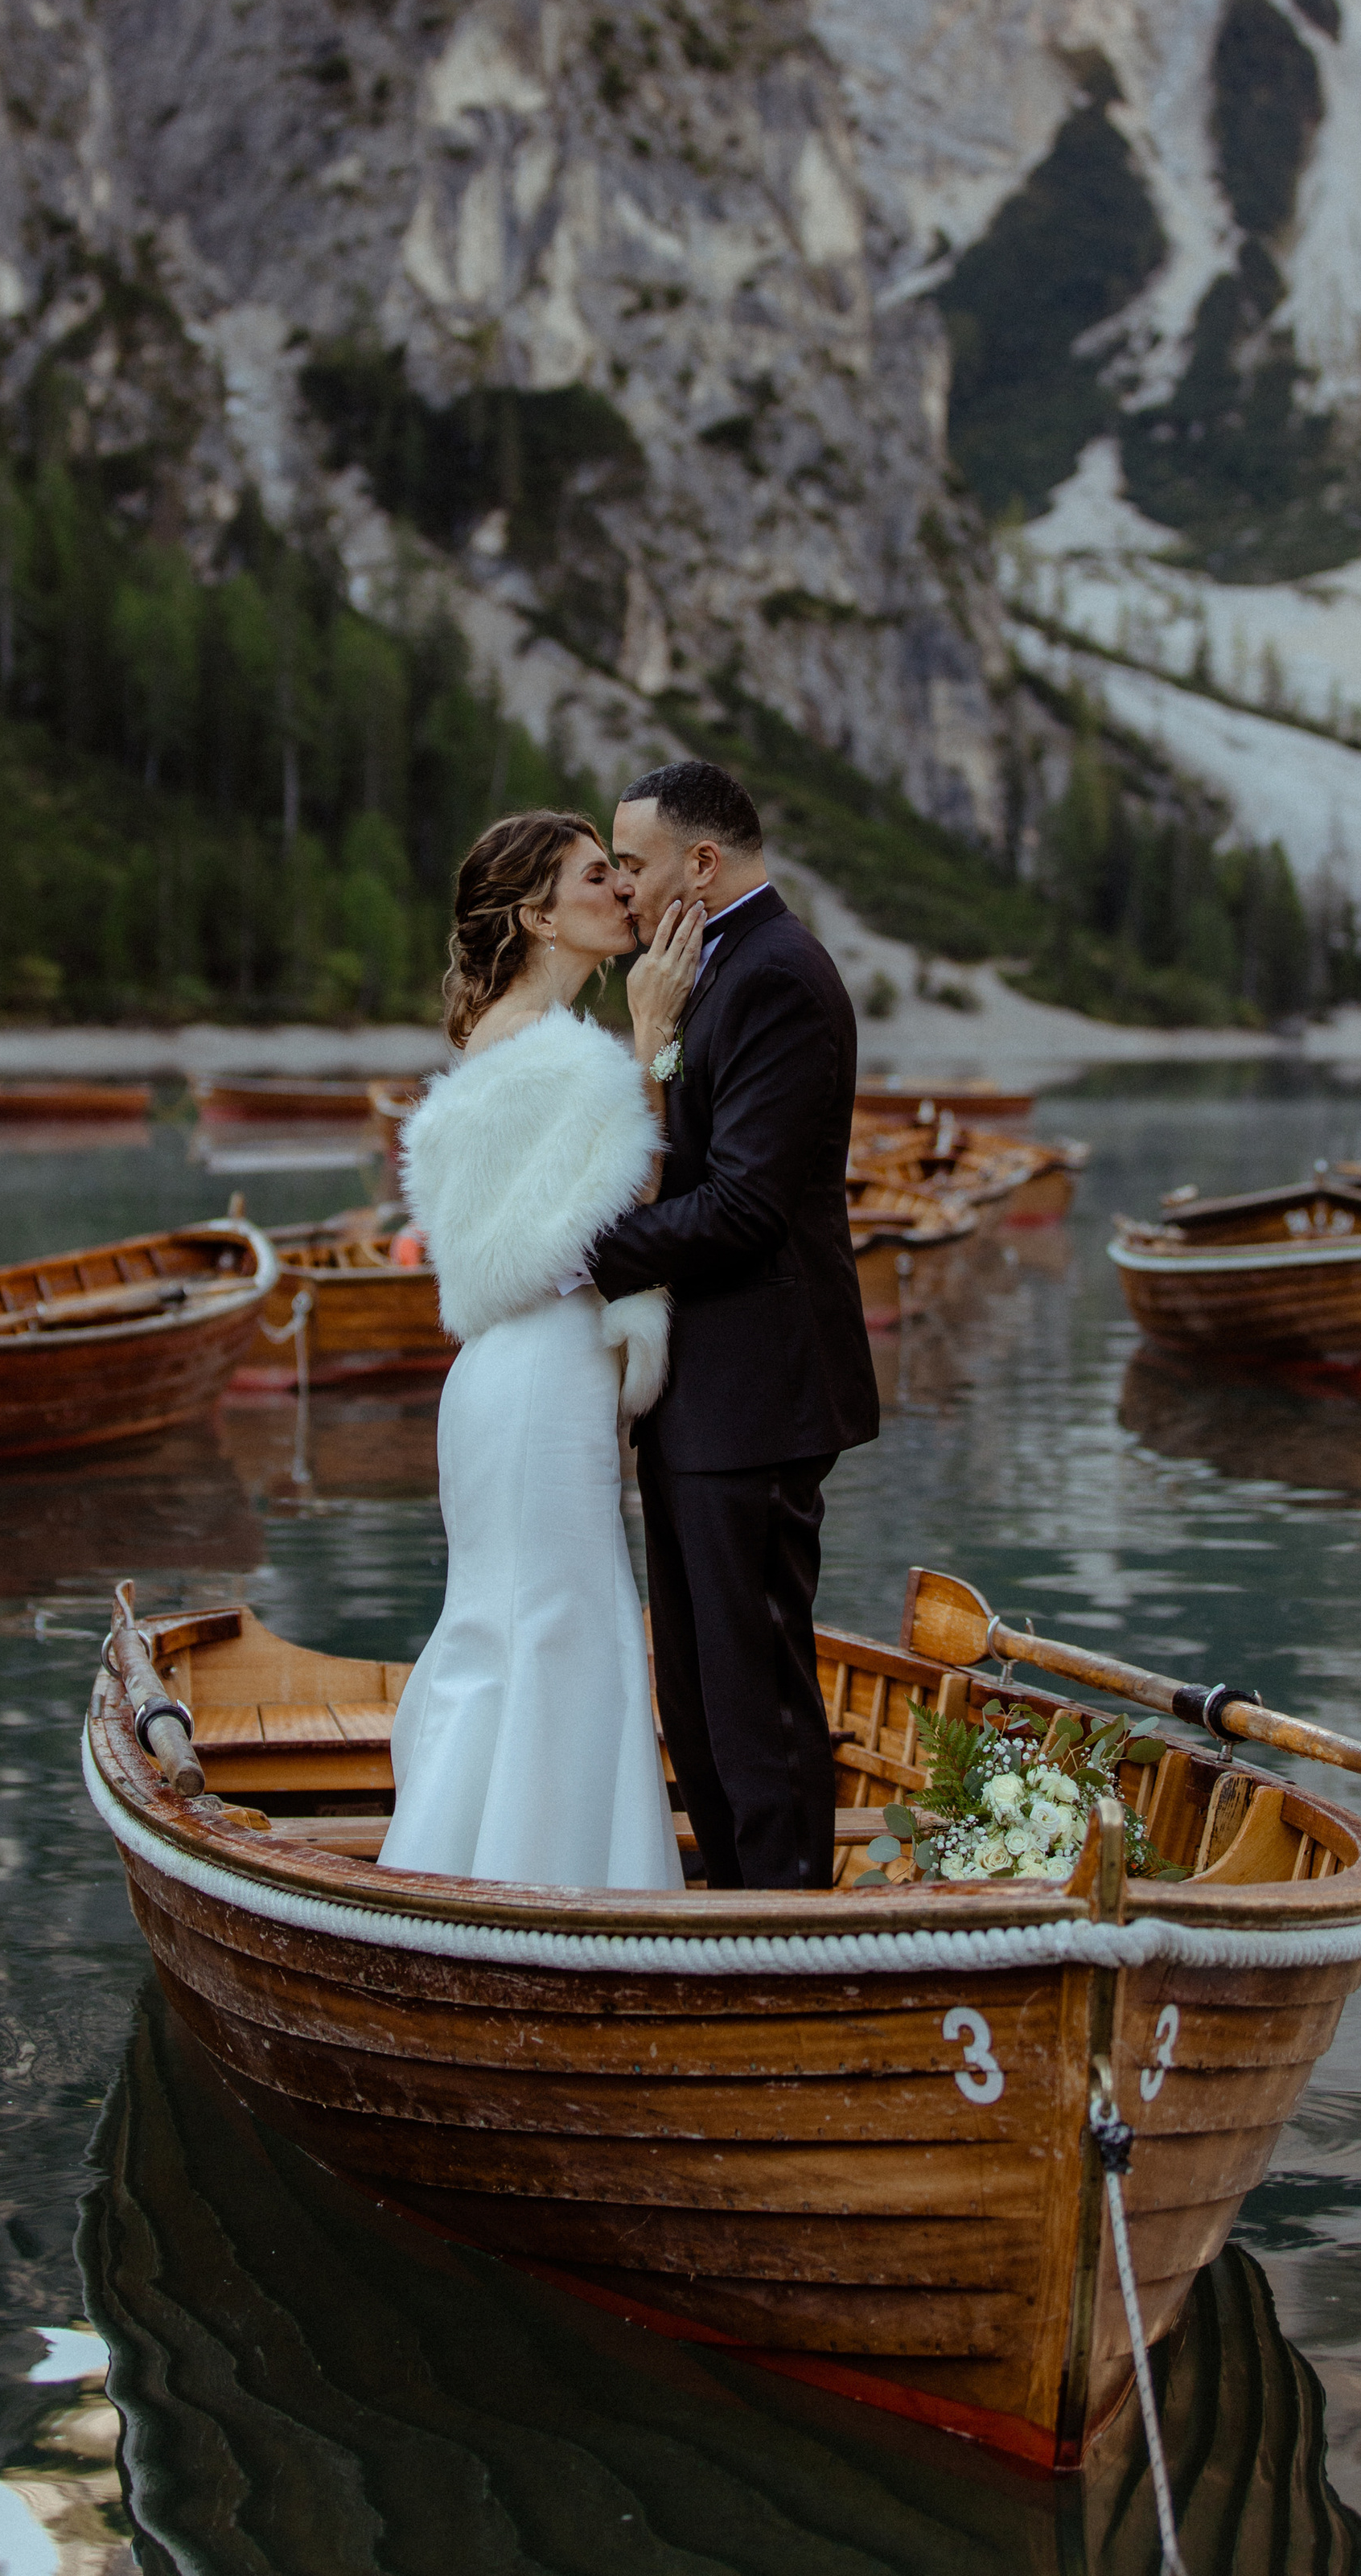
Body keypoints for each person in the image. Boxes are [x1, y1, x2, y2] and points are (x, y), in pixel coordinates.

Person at [379, 808, 705, 1889]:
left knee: (507, 1623)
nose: (624, 892)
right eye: (595, 877)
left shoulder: (500, 1040)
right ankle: (548, 1893)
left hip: (498, 1381)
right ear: (537, 916)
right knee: (562, 1627)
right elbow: (637, 1201)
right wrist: (657, 1036)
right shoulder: (567, 1059)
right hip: (543, 1377)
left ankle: (470, 1876)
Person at [589, 759, 879, 1892]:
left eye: (636, 861)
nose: (622, 885)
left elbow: (749, 1207)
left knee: (751, 1687)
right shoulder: (703, 968)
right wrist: (649, 1047)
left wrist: (578, 1246)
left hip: (757, 1391)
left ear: (703, 864)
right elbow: (687, 1136)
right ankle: (732, 1905)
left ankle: (788, 1920)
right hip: (705, 1390)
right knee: (701, 1690)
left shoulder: (777, 977)